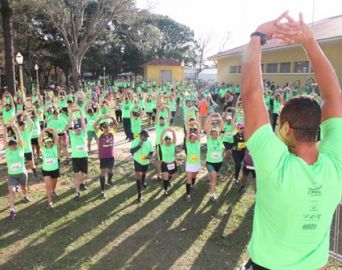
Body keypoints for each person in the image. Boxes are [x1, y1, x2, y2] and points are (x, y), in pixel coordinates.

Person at [240, 12, 342, 270]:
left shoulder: (276, 165)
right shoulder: (336, 166)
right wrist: (309, 41)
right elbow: (332, 94)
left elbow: (252, 95)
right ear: (316, 128)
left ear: (285, 128)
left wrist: (257, 37)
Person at [4, 121, 30, 220]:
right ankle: (12, 210)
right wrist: (5, 129)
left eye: (14, 144)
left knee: (24, 188)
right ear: (9, 146)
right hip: (12, 175)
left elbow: (19, 137)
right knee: (12, 191)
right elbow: (5, 139)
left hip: (22, 174)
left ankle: (25, 195)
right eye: (11, 144)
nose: (13, 145)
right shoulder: (8, 151)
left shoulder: (20, 149)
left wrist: (15, 128)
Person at [93, 114, 118, 198]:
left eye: (107, 127)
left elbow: (116, 124)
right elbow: (94, 125)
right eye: (104, 127)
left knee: (111, 170)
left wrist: (112, 117)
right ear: (102, 128)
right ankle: (102, 190)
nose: (106, 128)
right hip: (103, 157)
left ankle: (109, 180)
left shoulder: (112, 133)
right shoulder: (100, 134)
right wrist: (101, 117)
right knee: (103, 172)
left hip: (111, 156)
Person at [69, 108, 88, 198]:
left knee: (83, 173)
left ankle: (82, 183)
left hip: (84, 157)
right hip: (75, 158)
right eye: (76, 129)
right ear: (74, 130)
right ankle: (77, 192)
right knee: (77, 174)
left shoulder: (84, 134)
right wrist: (71, 113)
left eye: (79, 129)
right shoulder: (72, 135)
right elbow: (70, 124)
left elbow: (83, 124)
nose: (78, 130)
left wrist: (80, 112)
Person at [204, 113, 224, 202]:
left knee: (214, 177)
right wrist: (210, 116)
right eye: (213, 133)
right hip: (210, 162)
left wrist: (220, 117)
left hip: (219, 162)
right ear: (211, 134)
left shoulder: (220, 139)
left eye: (216, 133)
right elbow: (207, 127)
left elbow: (223, 129)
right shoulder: (209, 139)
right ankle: (213, 194)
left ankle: (211, 183)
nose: (215, 135)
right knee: (214, 177)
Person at [130, 129, 153, 203]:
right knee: (138, 175)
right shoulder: (135, 141)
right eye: (145, 136)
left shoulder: (148, 142)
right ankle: (139, 195)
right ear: (141, 136)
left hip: (145, 161)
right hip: (137, 161)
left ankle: (143, 181)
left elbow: (151, 151)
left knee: (143, 174)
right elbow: (131, 151)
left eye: (147, 137)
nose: (146, 138)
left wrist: (150, 156)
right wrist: (139, 146)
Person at [38, 127, 59, 208]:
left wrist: (53, 130)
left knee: (54, 184)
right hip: (46, 171)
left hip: (55, 169)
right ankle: (49, 201)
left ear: (52, 142)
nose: (49, 143)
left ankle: (53, 191)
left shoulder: (54, 147)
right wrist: (43, 131)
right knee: (48, 186)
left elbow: (56, 138)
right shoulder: (43, 149)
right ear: (45, 143)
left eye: (50, 142)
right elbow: (39, 140)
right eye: (47, 142)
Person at [18, 112, 39, 180]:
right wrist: (17, 115)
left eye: (24, 125)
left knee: (31, 164)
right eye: (21, 125)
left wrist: (27, 116)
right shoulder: (18, 132)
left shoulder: (28, 131)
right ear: (19, 126)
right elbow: (13, 124)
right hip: (19, 151)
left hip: (28, 150)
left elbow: (32, 124)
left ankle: (34, 172)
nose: (23, 126)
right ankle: (20, 177)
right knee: (20, 165)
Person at [184, 124, 201, 202]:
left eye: (194, 137)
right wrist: (188, 127)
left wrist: (197, 125)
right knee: (189, 180)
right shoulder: (188, 144)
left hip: (197, 164)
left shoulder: (198, 143)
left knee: (194, 175)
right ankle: (188, 195)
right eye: (191, 138)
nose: (193, 139)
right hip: (189, 164)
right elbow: (187, 134)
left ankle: (193, 185)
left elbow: (199, 132)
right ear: (190, 139)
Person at [160, 127, 177, 196]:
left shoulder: (172, 145)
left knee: (172, 175)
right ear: (165, 141)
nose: (168, 141)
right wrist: (163, 131)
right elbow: (161, 138)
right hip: (165, 164)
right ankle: (165, 190)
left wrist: (173, 131)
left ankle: (168, 181)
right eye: (167, 140)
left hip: (172, 163)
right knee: (166, 176)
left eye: (169, 140)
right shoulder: (162, 146)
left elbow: (174, 138)